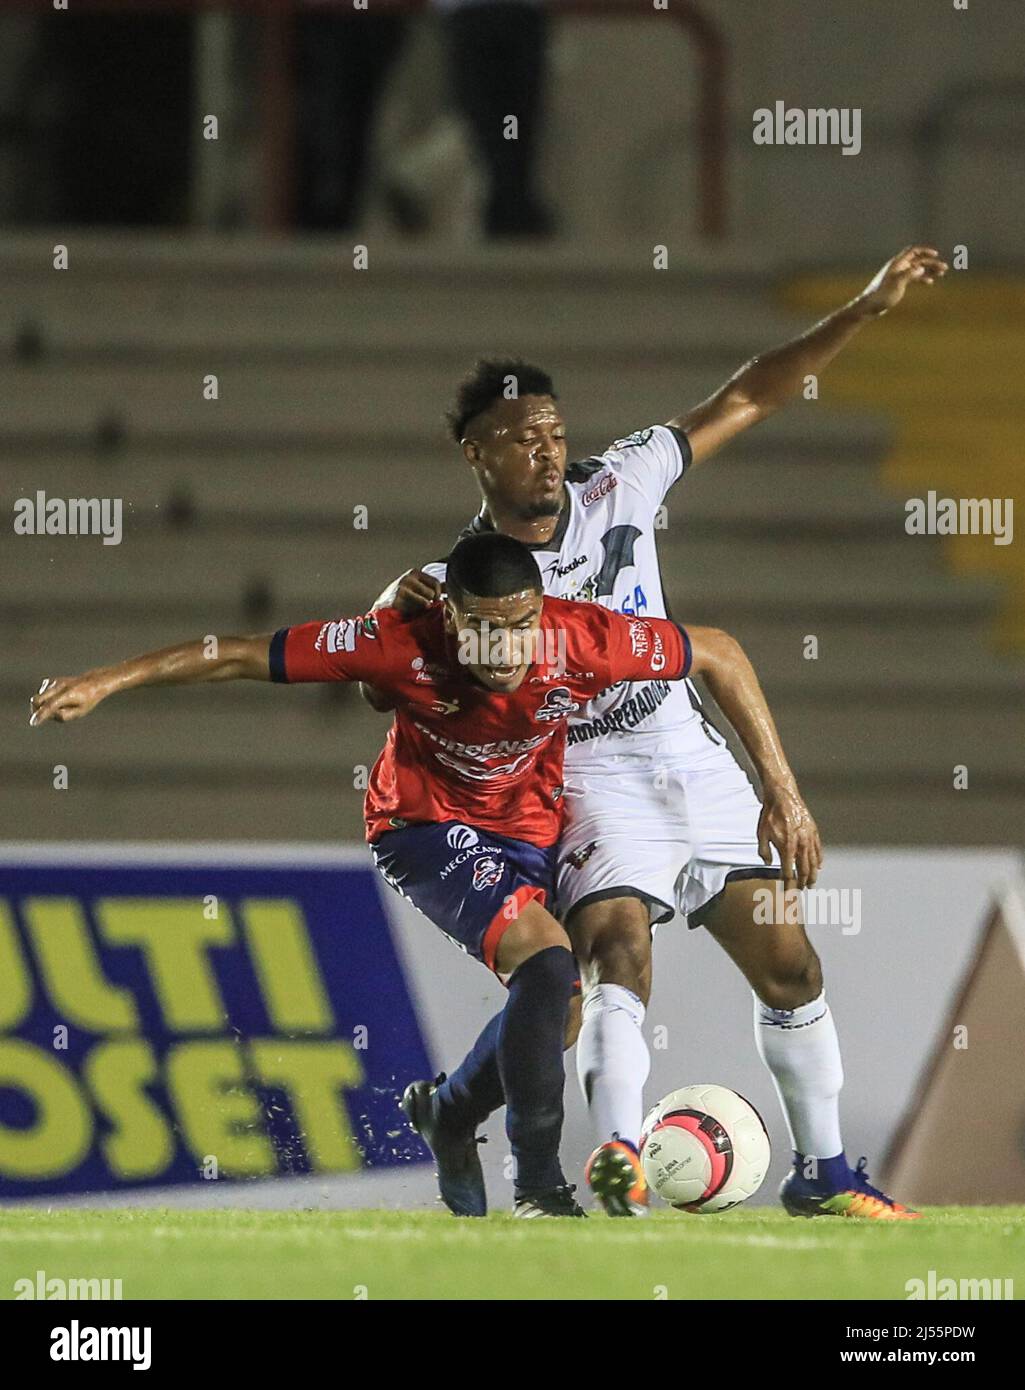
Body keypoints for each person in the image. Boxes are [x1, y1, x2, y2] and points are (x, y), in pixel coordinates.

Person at [363, 247, 946, 1218]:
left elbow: (748, 395)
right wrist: (387, 603)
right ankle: (622, 1169)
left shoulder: (623, 479)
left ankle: (824, 1171)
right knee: (615, 950)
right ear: (476, 454)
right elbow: (381, 683)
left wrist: (863, 308)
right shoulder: (461, 582)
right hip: (585, 772)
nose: (546, 449)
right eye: (520, 437)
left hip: (686, 751)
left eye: (552, 430)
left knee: (790, 961)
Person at [29, 532, 774, 1218]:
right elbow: (238, 652)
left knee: (559, 1011)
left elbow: (716, 650)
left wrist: (779, 791)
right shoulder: (396, 643)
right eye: (482, 623)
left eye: (519, 622)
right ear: (448, 613)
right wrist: (105, 680)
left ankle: (450, 1113)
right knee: (547, 967)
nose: (503, 643)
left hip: (528, 828)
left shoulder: (584, 638)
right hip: (422, 827)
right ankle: (539, 1186)